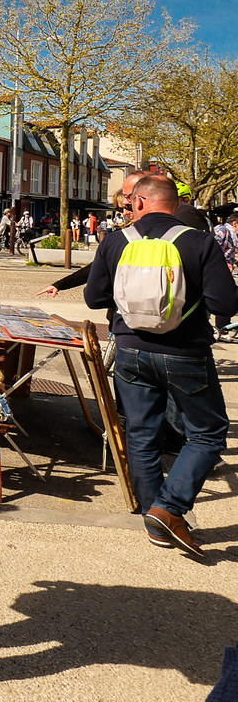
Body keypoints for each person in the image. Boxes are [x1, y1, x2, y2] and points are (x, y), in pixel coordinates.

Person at [84, 174, 238, 558]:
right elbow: (224, 305)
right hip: (185, 352)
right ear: (176, 203)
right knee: (208, 433)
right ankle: (168, 508)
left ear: (138, 202)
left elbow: (94, 298)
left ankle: (153, 517)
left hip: (131, 350)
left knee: (141, 433)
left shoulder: (115, 241)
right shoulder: (199, 241)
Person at [211, 212, 238, 341]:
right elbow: (212, 248)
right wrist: (223, 263)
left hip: (224, 270)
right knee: (225, 296)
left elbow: (229, 254)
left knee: (229, 296)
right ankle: (222, 329)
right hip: (216, 270)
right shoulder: (223, 231)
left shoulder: (232, 235)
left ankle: (225, 327)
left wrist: (234, 262)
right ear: (235, 224)